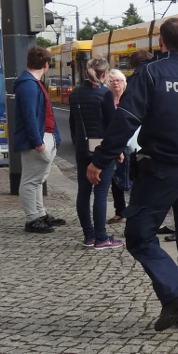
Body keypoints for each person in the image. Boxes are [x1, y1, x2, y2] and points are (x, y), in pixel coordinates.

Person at [87, 17, 178, 332]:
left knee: (138, 235)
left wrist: (101, 159)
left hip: (161, 169)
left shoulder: (150, 74)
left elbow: (126, 120)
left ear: (160, 43)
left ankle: (176, 294)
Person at [70, 57, 121, 249]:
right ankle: (102, 237)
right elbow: (112, 125)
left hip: (82, 148)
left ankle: (89, 236)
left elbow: (72, 124)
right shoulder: (104, 94)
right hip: (101, 149)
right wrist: (116, 150)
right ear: (105, 74)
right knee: (100, 193)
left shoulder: (75, 94)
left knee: (83, 192)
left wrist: (78, 145)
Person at [13, 46, 65, 234]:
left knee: (38, 179)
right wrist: (38, 142)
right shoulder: (28, 84)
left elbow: (41, 114)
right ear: (46, 64)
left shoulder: (32, 83)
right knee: (30, 180)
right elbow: (29, 117)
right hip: (38, 139)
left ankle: (39, 214)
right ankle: (32, 218)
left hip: (45, 136)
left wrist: (54, 138)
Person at [107, 69, 129, 224]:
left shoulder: (130, 99)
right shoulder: (106, 101)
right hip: (114, 144)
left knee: (136, 177)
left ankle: (137, 211)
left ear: (124, 83)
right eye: (112, 80)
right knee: (115, 178)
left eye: (118, 80)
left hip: (132, 144)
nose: (115, 83)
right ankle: (120, 211)